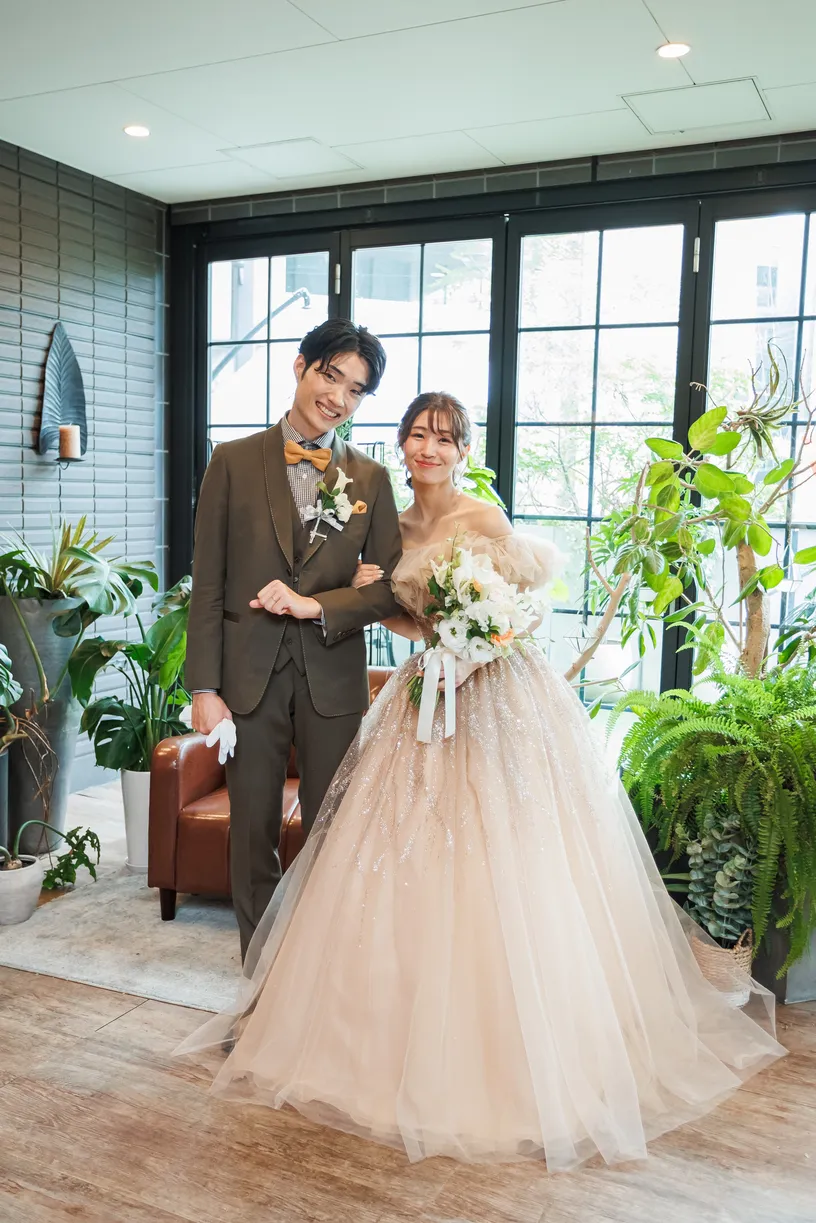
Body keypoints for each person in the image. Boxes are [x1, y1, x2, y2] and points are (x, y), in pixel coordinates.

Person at [178, 392, 785, 1171]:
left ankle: (518, 1040)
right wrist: (411, 623)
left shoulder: (484, 517)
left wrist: (477, 643)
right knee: (398, 858)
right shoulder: (390, 524)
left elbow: (525, 612)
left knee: (504, 853)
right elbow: (400, 615)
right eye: (417, 435)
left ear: (464, 450)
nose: (428, 448)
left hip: (498, 693)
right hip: (425, 691)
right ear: (401, 446)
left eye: (444, 438)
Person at [184, 319, 403, 960]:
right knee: (251, 826)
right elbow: (208, 584)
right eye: (331, 377)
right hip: (247, 679)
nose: (338, 398)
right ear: (301, 366)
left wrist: (319, 604)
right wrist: (204, 688)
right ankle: (260, 965)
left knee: (333, 826)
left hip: (333, 679)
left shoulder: (371, 479)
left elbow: (389, 591)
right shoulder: (231, 461)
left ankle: (321, 965)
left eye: (356, 390)